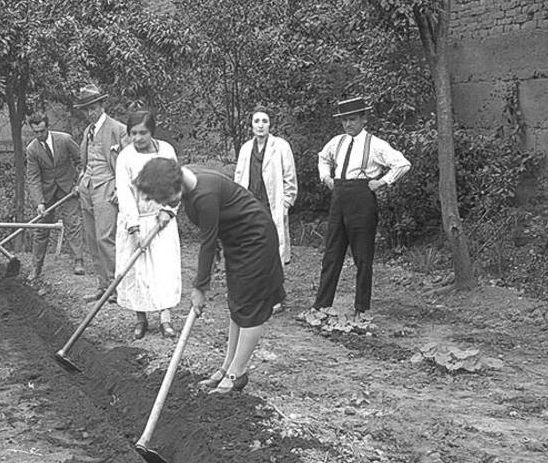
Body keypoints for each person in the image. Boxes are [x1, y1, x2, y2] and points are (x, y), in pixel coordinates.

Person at [135, 158, 284, 394]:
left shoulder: (204, 196)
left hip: (256, 241)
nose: (162, 202)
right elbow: (212, 237)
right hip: (237, 241)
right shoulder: (189, 180)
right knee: (237, 305)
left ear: (175, 184)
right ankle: (227, 367)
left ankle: (238, 373)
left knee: (251, 309)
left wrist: (199, 288)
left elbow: (207, 242)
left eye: (162, 196)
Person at [298, 97, 411, 325]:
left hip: (361, 198)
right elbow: (322, 157)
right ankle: (321, 306)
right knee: (332, 254)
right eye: (344, 120)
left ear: (363, 119)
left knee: (363, 256)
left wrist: (382, 182)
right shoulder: (337, 142)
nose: (348, 125)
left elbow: (402, 163)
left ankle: (361, 309)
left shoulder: (375, 144)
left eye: (352, 120)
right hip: (339, 196)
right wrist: (326, 177)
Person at [114, 111, 181, 339]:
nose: (138, 138)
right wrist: (134, 229)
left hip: (161, 220)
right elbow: (125, 195)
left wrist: (167, 210)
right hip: (135, 219)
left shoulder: (167, 151)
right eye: (133, 133)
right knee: (137, 271)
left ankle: (165, 319)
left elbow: (175, 184)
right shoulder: (125, 157)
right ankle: (140, 319)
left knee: (163, 269)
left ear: (152, 131)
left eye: (143, 132)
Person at [234, 107, 298, 314]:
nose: (260, 125)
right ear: (251, 125)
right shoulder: (245, 149)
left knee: (273, 251)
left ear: (270, 125)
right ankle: (255, 294)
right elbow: (239, 177)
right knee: (252, 250)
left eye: (264, 121)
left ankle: (275, 296)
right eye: (257, 121)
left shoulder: (280, 147)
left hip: (272, 207)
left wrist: (286, 203)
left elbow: (290, 177)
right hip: (250, 208)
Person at [73, 84, 128, 301]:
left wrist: (120, 188)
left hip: (107, 186)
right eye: (86, 110)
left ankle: (116, 288)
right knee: (93, 238)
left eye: (93, 108)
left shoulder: (118, 129)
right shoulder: (88, 132)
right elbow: (85, 162)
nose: (89, 113)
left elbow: (128, 164)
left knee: (106, 238)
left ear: (102, 105)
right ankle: (102, 285)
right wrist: (80, 181)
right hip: (88, 187)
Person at [24, 111, 86, 282]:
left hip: (68, 188)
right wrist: (39, 203)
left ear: (47, 127)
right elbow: (33, 178)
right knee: (41, 229)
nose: (39, 135)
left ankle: (79, 261)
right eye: (35, 132)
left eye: (42, 131)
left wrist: (79, 183)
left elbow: (81, 161)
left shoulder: (64, 140)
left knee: (73, 223)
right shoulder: (32, 149)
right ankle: (36, 267)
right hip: (47, 191)